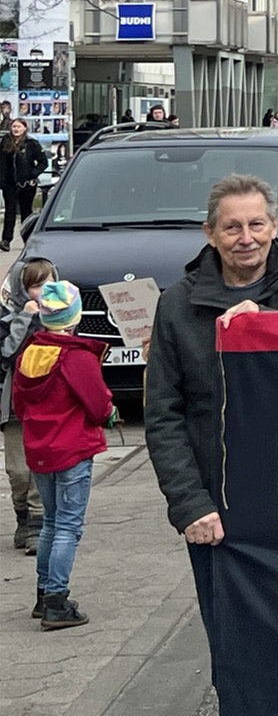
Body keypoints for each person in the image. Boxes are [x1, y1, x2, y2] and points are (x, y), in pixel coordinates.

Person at [145, 175, 278, 704]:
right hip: (221, 510)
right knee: (236, 648)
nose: (246, 237)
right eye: (231, 227)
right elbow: (163, 414)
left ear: (275, 227)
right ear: (210, 234)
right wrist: (190, 504)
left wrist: (272, 327)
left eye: (257, 224)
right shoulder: (178, 306)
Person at [11, 280, 112, 629]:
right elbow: (98, 406)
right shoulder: (76, 357)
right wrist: (109, 411)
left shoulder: (31, 352)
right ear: (75, 316)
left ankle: (43, 595)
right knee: (69, 525)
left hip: (39, 448)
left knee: (51, 522)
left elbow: (20, 404)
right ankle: (56, 599)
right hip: (72, 448)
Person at [2, 258, 56, 554]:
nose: (43, 291)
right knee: (18, 470)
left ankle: (38, 522)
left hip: (47, 403)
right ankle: (22, 516)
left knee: (40, 466)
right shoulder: (9, 318)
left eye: (48, 283)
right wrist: (25, 318)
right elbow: (8, 352)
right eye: (36, 285)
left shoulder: (60, 315)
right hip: (14, 405)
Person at [0, 119, 47, 252]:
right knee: (10, 212)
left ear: (24, 128)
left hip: (26, 184)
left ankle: (28, 240)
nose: (16, 129)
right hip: (9, 183)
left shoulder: (31, 144)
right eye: (14, 126)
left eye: (18, 127)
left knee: (26, 213)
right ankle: (6, 240)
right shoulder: (5, 142)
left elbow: (43, 162)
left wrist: (33, 174)